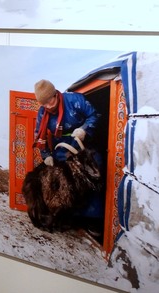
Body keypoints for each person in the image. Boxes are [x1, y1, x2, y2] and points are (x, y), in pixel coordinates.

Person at [33, 79, 104, 233]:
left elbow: (94, 115)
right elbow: (39, 134)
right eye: (43, 104)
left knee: (92, 177)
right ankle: (72, 218)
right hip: (62, 147)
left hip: (83, 143)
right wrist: (46, 155)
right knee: (66, 182)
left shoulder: (74, 100)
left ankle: (93, 220)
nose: (47, 106)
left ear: (55, 94)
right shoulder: (43, 112)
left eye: (50, 101)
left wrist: (84, 129)